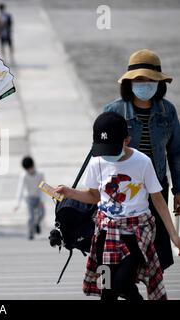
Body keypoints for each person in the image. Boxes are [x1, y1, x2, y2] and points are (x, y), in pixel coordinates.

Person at [55, 112, 180, 300]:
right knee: (107, 289)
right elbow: (94, 196)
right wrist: (69, 192)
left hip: (136, 233)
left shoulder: (142, 162)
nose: (107, 154)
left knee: (122, 282)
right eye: (103, 149)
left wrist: (174, 236)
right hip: (106, 233)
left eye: (111, 149)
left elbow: (158, 200)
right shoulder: (97, 161)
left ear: (126, 141)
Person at [103, 49, 180, 272]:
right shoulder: (113, 111)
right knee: (126, 252)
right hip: (124, 191)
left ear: (159, 83)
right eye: (139, 80)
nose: (144, 84)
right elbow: (102, 156)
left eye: (150, 80)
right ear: (129, 83)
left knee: (158, 252)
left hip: (157, 188)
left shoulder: (168, 111)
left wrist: (178, 191)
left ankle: (153, 289)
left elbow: (175, 154)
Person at [13, 156, 45, 240]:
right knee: (31, 217)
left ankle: (37, 224)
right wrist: (17, 204)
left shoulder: (40, 174)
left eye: (30, 168)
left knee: (41, 214)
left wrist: (42, 200)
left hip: (38, 197)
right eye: (28, 169)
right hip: (29, 198)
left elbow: (43, 187)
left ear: (33, 166)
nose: (30, 170)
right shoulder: (24, 176)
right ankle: (31, 233)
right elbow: (20, 189)